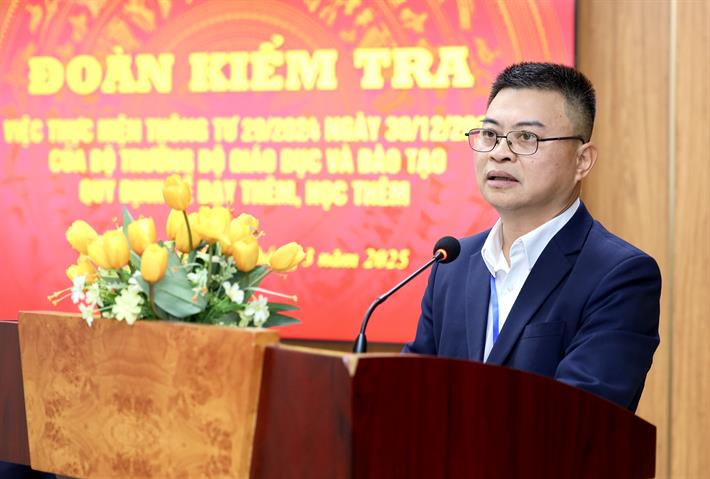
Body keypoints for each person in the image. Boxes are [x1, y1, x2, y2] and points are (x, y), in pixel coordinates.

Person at [403, 62, 660, 412]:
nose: (500, 152)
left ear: (582, 161)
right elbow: (411, 392)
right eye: (490, 135)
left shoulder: (619, 275)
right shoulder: (453, 263)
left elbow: (579, 416)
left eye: (526, 137)